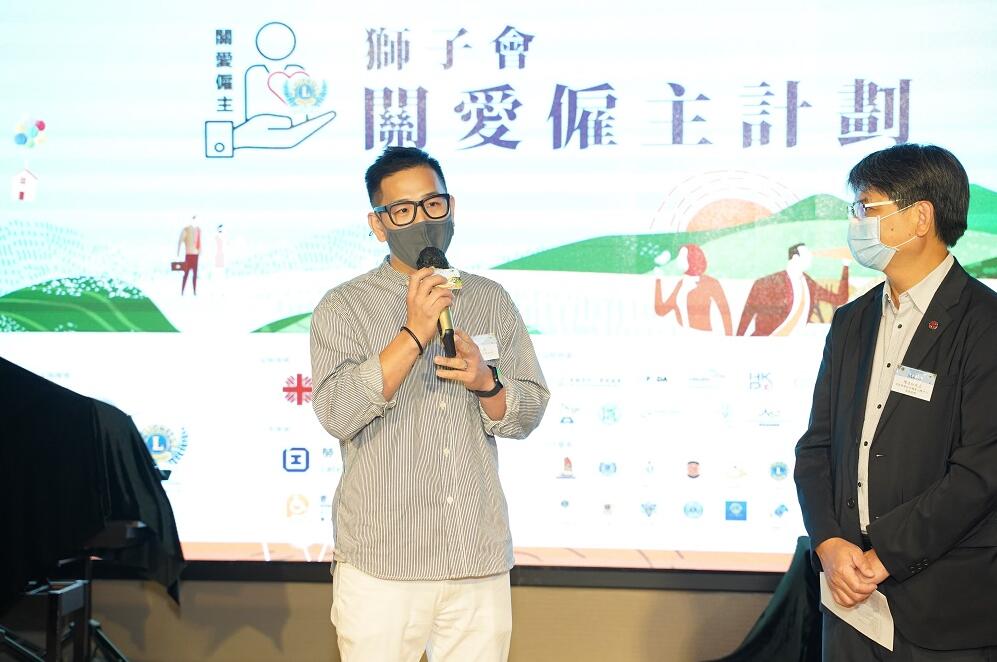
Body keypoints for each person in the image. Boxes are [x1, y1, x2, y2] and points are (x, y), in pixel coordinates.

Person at [310, 146, 549, 662]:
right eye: (403, 210)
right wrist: (415, 332)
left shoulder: (489, 298)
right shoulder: (344, 306)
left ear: (451, 207)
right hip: (382, 563)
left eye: (432, 204)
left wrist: (486, 383)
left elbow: (529, 409)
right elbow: (337, 412)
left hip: (476, 557)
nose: (422, 220)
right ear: (378, 224)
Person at [794, 144, 997, 658]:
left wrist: (883, 556)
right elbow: (816, 449)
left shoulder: (985, 323)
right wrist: (829, 544)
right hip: (849, 605)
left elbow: (981, 472)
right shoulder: (851, 321)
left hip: (943, 610)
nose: (855, 222)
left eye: (867, 207)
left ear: (920, 218)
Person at [736, 243, 849, 336]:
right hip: (767, 343)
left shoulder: (808, 283)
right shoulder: (766, 283)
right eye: (807, 255)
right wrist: (737, 340)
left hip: (793, 346)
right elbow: (747, 313)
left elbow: (840, 299)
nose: (810, 258)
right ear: (795, 257)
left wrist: (846, 266)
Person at [653, 243, 733, 334]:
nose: (678, 259)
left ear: (692, 259)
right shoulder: (680, 284)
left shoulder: (710, 282)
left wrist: (730, 337)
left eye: (682, 256)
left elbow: (725, 313)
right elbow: (661, 311)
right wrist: (658, 281)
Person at [176, 218, 201, 295]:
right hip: (189, 255)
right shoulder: (186, 229)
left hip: (195, 255)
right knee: (186, 274)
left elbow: (199, 243)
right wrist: (178, 253)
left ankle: (194, 292)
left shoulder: (198, 230)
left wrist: (199, 251)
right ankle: (183, 291)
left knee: (193, 274)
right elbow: (180, 241)